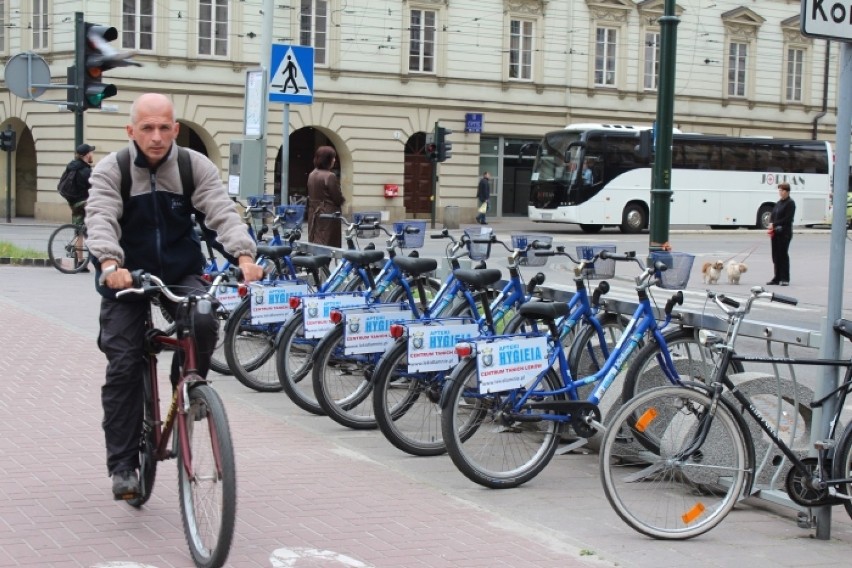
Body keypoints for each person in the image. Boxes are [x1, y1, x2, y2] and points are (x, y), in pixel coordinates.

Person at [84, 93, 264, 499]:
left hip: (179, 269)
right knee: (124, 364)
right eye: (147, 128)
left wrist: (244, 254)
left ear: (176, 129)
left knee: (202, 315)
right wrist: (111, 264)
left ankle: (189, 382)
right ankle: (124, 465)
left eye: (164, 127)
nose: (156, 136)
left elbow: (220, 211)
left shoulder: (191, 166)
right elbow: (100, 217)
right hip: (127, 274)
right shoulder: (113, 170)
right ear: (131, 131)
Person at [307, 145, 345, 247]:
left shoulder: (312, 174)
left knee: (315, 242)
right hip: (328, 214)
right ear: (327, 160)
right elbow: (337, 198)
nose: (334, 160)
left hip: (313, 212)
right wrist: (342, 199)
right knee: (328, 246)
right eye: (332, 158)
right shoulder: (329, 176)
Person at [766, 182, 796, 286]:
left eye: (782, 190)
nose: (780, 192)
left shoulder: (790, 203)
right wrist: (771, 223)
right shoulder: (779, 203)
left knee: (783, 255)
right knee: (775, 256)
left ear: (787, 192)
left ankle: (785, 278)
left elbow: (788, 219)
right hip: (775, 233)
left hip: (784, 233)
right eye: (779, 190)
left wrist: (775, 224)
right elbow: (773, 215)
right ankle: (776, 277)